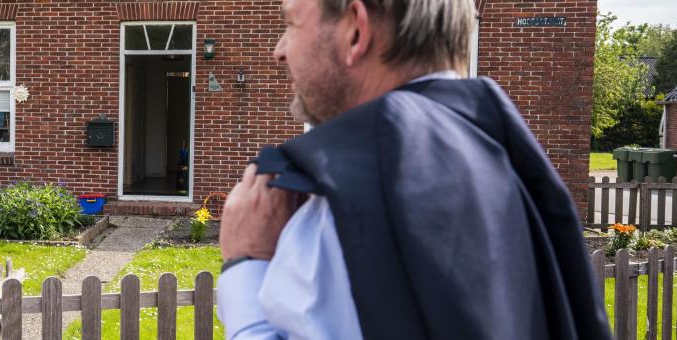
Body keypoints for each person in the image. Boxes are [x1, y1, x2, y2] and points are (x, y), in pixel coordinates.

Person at [216, 0, 612, 339]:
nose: (278, 50)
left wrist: (246, 264)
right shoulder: (504, 158)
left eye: (290, 23)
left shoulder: (353, 200)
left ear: (356, 29)